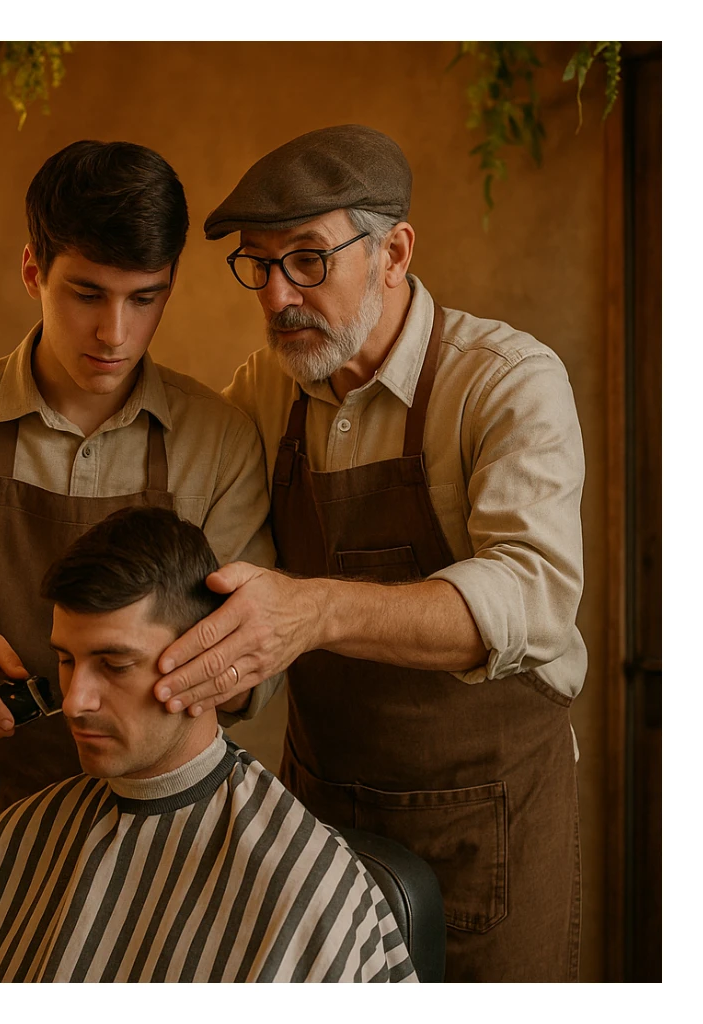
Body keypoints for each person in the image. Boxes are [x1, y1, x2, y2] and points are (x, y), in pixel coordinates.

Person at [151, 125, 586, 983]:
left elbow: (533, 596)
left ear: (394, 251)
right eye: (258, 265)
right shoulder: (259, 394)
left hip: (487, 821)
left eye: (308, 260)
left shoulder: (506, 381)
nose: (278, 297)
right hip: (316, 817)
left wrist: (317, 609)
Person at [0, 140, 278, 929]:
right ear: (33, 271)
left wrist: (202, 668)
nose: (114, 332)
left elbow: (248, 673)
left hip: (157, 845)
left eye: (145, 299)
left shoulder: (222, 439)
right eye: (86, 294)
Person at [0, 507, 417, 983]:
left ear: (204, 662)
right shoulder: (29, 829)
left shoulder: (306, 886)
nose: (74, 701)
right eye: (66, 660)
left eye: (114, 665)